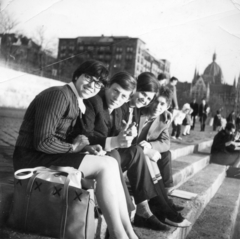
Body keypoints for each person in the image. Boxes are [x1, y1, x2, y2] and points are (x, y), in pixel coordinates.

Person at [13, 60, 138, 239]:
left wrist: (86, 147)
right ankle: (120, 235)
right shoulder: (59, 95)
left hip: (48, 155)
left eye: (98, 83)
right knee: (104, 166)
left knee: (109, 161)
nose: (92, 85)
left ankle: (129, 232)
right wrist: (74, 148)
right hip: (30, 159)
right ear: (77, 75)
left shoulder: (75, 100)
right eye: (88, 78)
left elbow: (61, 139)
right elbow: (42, 142)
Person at [82, 72, 191, 229]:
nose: (146, 100)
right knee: (140, 153)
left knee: (154, 154)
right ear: (134, 89)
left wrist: (148, 145)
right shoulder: (123, 105)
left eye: (149, 99)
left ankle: (162, 204)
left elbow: (164, 141)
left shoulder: (134, 108)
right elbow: (101, 135)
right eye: (144, 95)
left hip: (117, 152)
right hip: (106, 153)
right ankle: (154, 208)